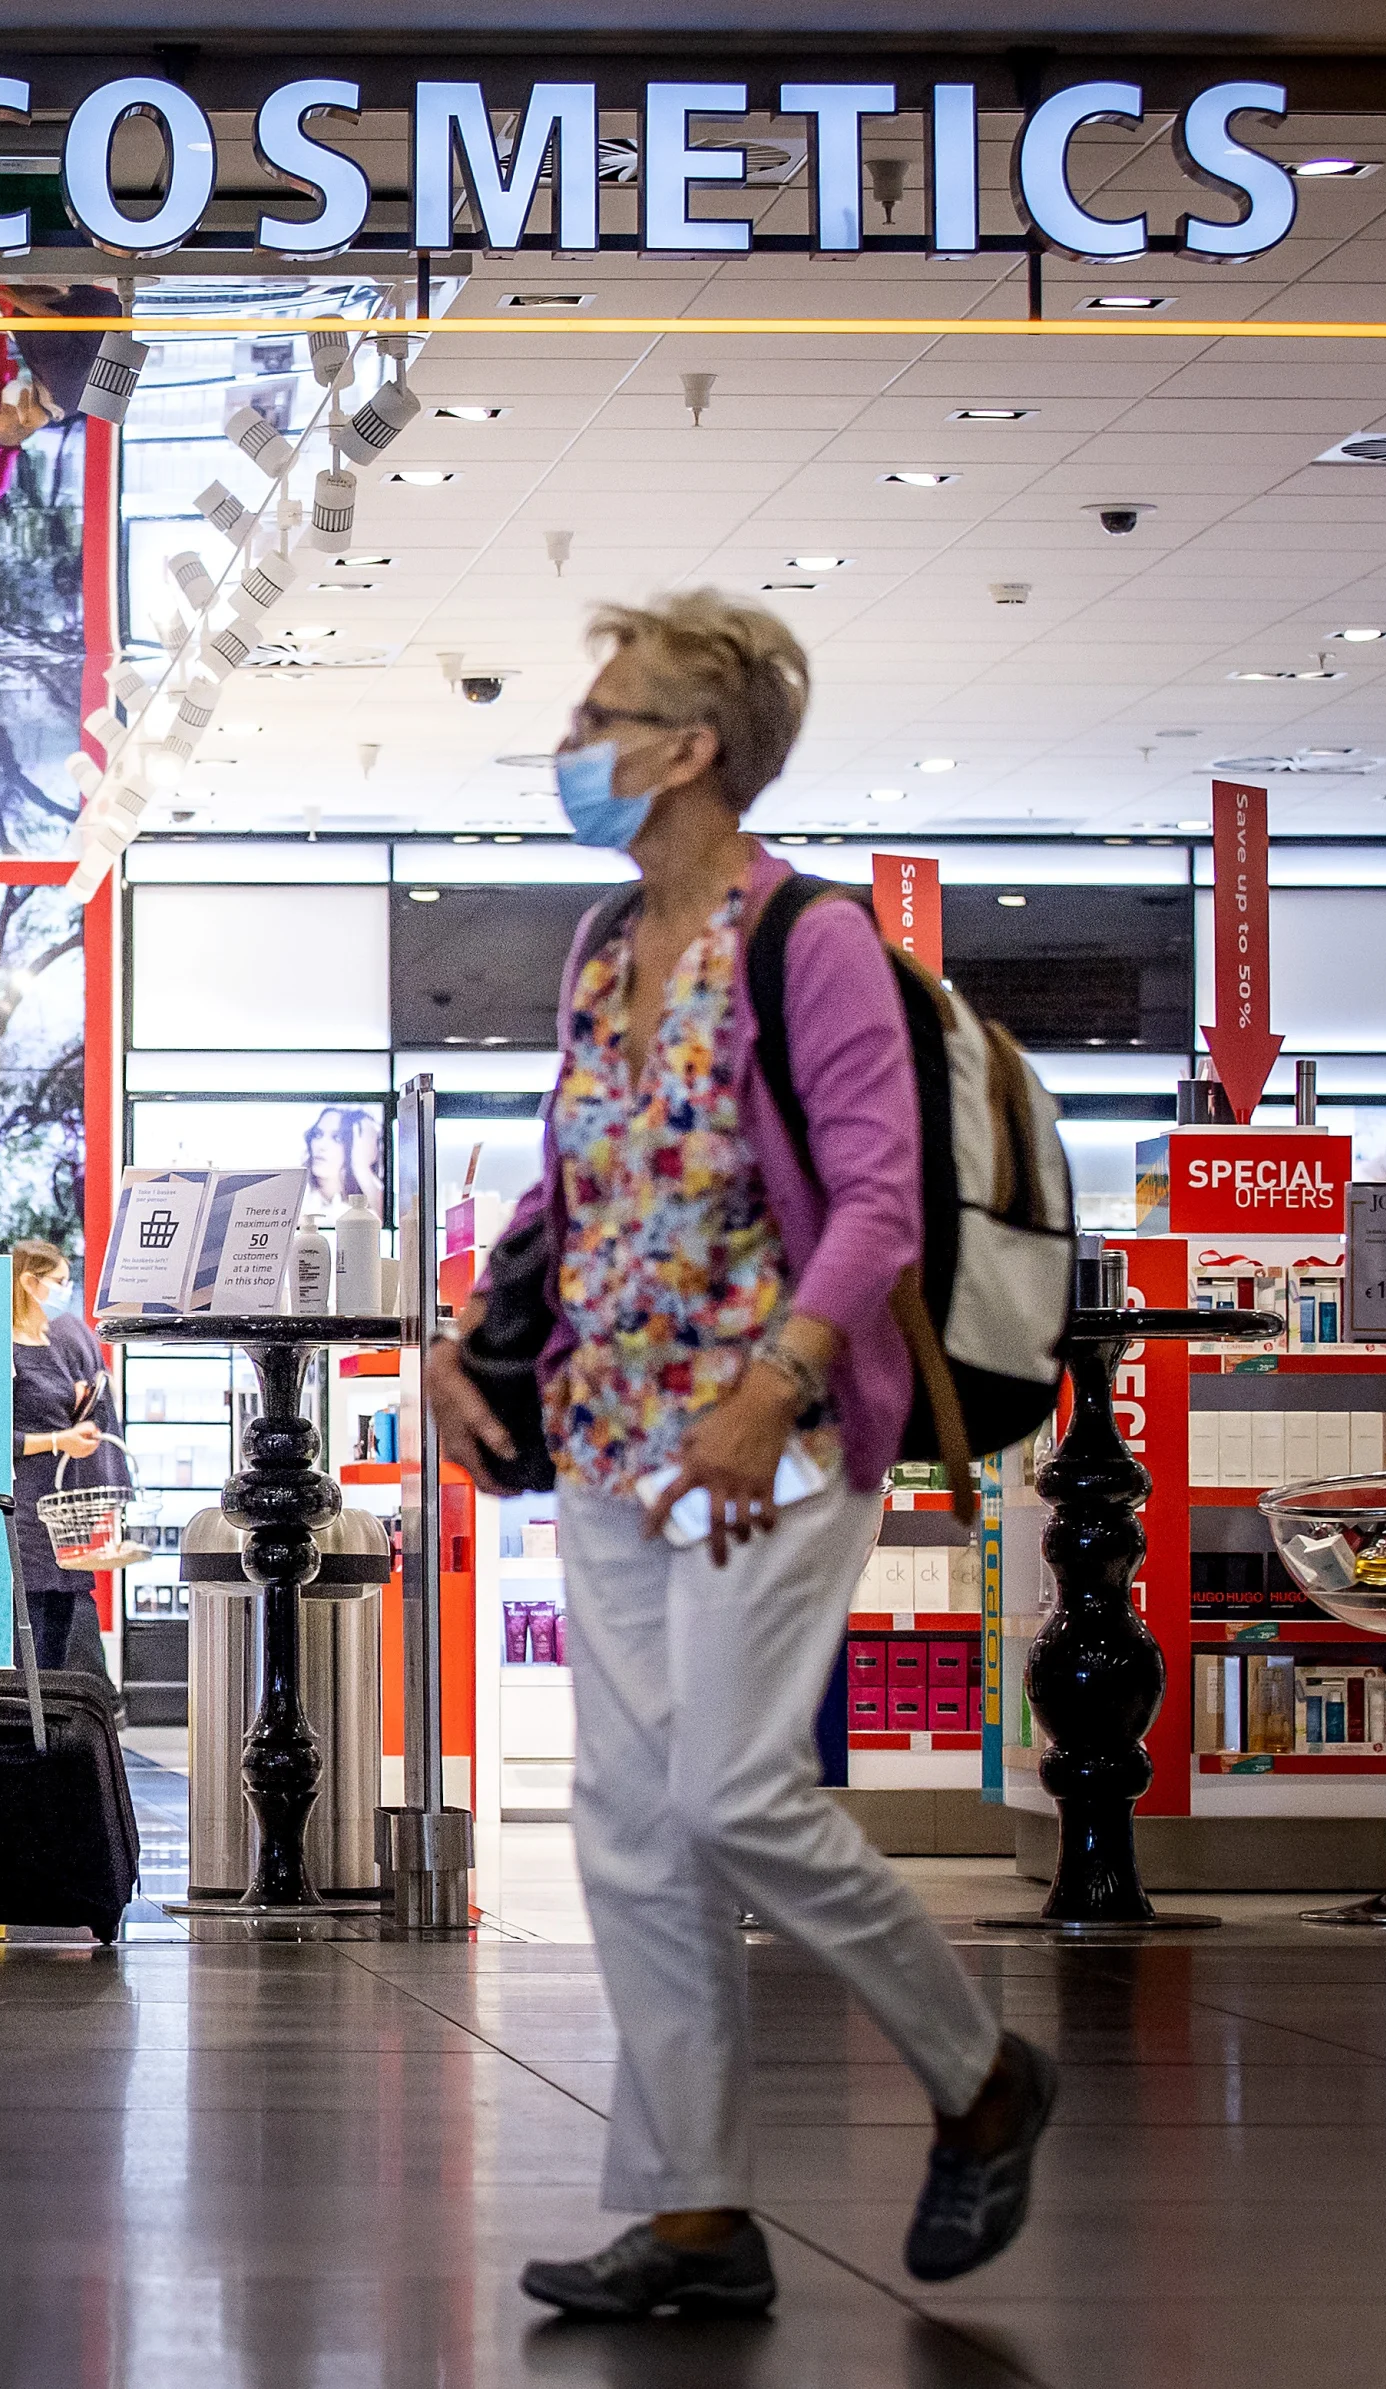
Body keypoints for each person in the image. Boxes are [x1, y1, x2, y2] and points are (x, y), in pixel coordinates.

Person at [421, 593, 1053, 2317]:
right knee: (631, 1823)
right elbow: (577, 1181)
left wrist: (778, 1378)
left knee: (730, 1788)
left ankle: (981, 2066)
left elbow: (878, 1196)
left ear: (692, 747)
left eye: (603, 711)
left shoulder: (811, 940)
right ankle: (694, 2207)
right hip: (620, 1436)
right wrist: (475, 1327)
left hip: (766, 1433)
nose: (575, 739)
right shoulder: (605, 950)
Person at [5, 1239, 122, 1678]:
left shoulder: (62, 1343)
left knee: (61, 1631)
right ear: (29, 1282)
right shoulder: (2, 1350)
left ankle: (55, 1732)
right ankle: (24, 1729)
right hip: (24, 1510)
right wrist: (58, 1440)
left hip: (68, 1510)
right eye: (59, 1282)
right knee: (30, 1633)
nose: (65, 1291)